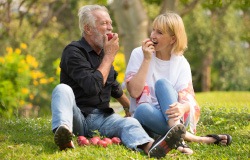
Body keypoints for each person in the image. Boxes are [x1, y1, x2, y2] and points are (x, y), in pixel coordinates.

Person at [51, 5, 186, 159]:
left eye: (110, 23)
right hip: (77, 116)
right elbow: (92, 87)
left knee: (129, 122)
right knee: (62, 89)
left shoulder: (103, 52)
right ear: (88, 29)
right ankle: (64, 134)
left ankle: (151, 147)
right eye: (104, 24)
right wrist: (109, 56)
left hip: (102, 119)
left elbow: (114, 87)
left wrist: (128, 106)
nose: (110, 28)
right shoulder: (73, 52)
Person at [125, 12, 232, 155]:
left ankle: (177, 136)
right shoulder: (139, 54)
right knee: (142, 109)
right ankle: (194, 139)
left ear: (172, 39)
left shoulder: (181, 63)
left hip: (176, 118)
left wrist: (182, 107)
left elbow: (190, 101)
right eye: (153, 30)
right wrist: (146, 59)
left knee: (163, 84)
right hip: (148, 119)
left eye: (160, 32)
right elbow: (134, 92)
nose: (153, 36)